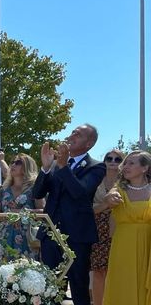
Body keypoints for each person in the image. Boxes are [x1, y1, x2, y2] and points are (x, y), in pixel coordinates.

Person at [32, 124, 106, 305]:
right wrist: (46, 168)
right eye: (72, 132)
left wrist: (64, 166)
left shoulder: (96, 167)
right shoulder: (56, 165)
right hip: (50, 235)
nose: (71, 136)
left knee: (78, 286)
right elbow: (37, 193)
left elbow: (80, 192)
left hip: (77, 237)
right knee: (50, 287)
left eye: (78, 134)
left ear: (89, 143)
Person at [102, 150, 151, 305]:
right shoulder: (118, 189)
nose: (125, 166)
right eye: (126, 163)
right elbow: (109, 198)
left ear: (145, 168)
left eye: (131, 163)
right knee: (123, 282)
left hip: (148, 244)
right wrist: (109, 197)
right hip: (123, 245)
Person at [0, 153, 44, 268]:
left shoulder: (35, 188)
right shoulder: (3, 189)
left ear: (27, 166)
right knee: (1, 277)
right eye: (12, 162)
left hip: (27, 237)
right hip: (5, 237)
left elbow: (44, 213)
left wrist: (22, 214)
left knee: (26, 276)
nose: (13, 165)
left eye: (18, 162)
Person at [90, 148, 125, 305]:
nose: (112, 161)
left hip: (120, 230)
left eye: (117, 159)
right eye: (109, 158)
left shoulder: (127, 182)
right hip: (97, 228)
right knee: (98, 271)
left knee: (117, 271)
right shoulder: (95, 180)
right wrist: (105, 204)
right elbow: (87, 209)